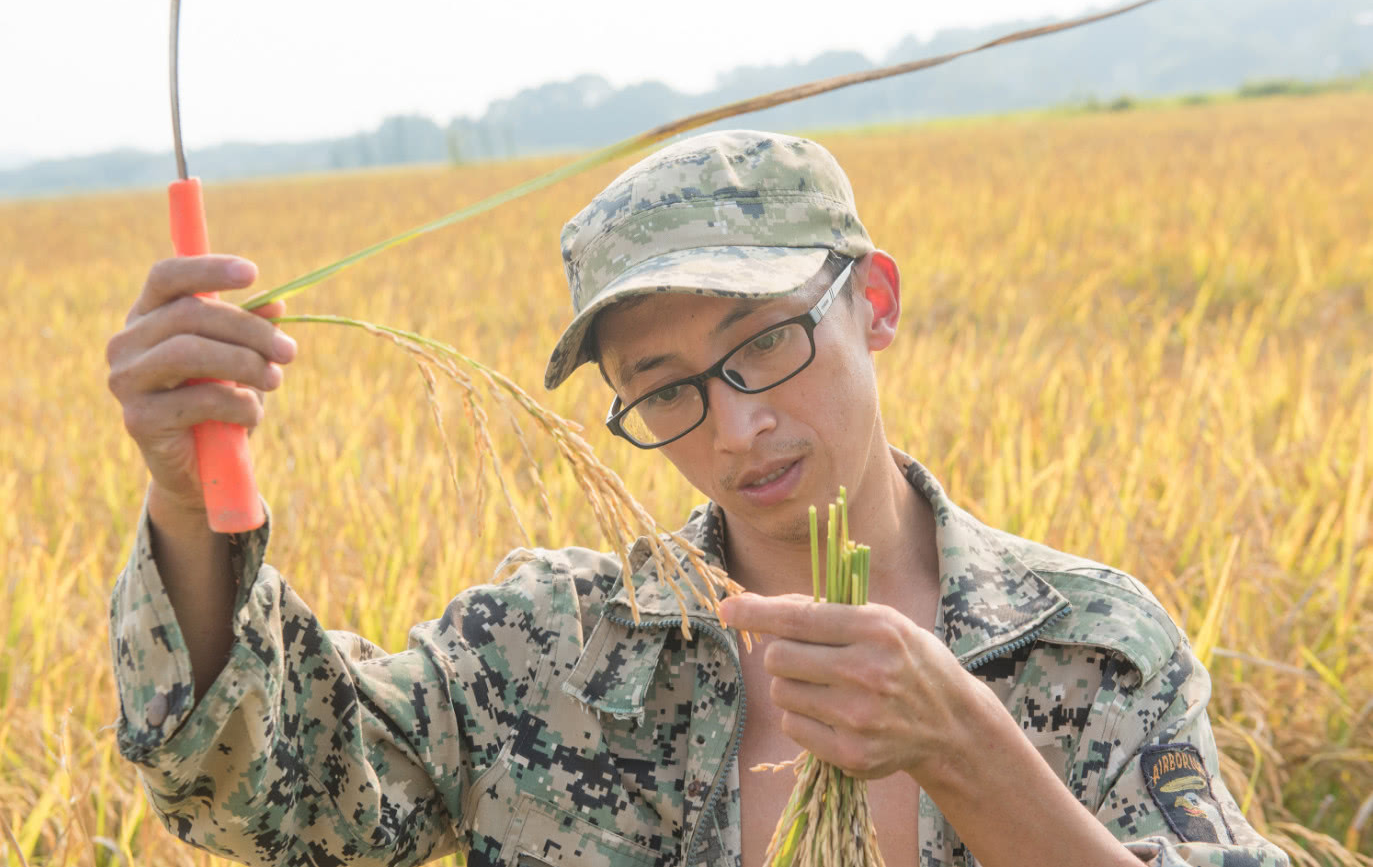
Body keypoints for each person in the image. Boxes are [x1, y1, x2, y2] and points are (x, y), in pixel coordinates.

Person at [106, 129, 1289, 867]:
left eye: (764, 342)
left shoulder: (1088, 650)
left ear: (870, 300)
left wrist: (968, 749)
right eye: (663, 391)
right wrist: (181, 484)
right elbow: (279, 800)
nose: (737, 427)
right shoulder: (548, 652)